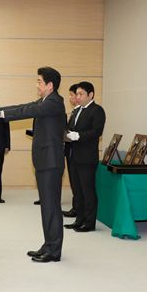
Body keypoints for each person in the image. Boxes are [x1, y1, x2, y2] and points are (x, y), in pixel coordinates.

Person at [0, 66, 67, 263]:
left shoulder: (54, 102)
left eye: (39, 81)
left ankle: (54, 250)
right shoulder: (47, 100)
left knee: (51, 206)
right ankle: (49, 244)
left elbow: (26, 110)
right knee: (47, 206)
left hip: (51, 162)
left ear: (50, 85)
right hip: (45, 161)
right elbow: (24, 106)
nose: (36, 85)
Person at [63, 81, 106, 232]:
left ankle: (89, 223)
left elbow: (96, 132)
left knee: (88, 191)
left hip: (87, 158)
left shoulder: (97, 110)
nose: (78, 97)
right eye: (77, 94)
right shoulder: (78, 110)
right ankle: (79, 219)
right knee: (78, 191)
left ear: (91, 95)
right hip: (74, 156)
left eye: (81, 94)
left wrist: (77, 135)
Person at [62, 84, 81, 217]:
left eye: (71, 95)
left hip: (78, 152)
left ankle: (78, 208)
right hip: (69, 151)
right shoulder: (75, 111)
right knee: (74, 181)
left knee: (78, 182)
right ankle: (76, 207)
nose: (70, 98)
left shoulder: (81, 112)